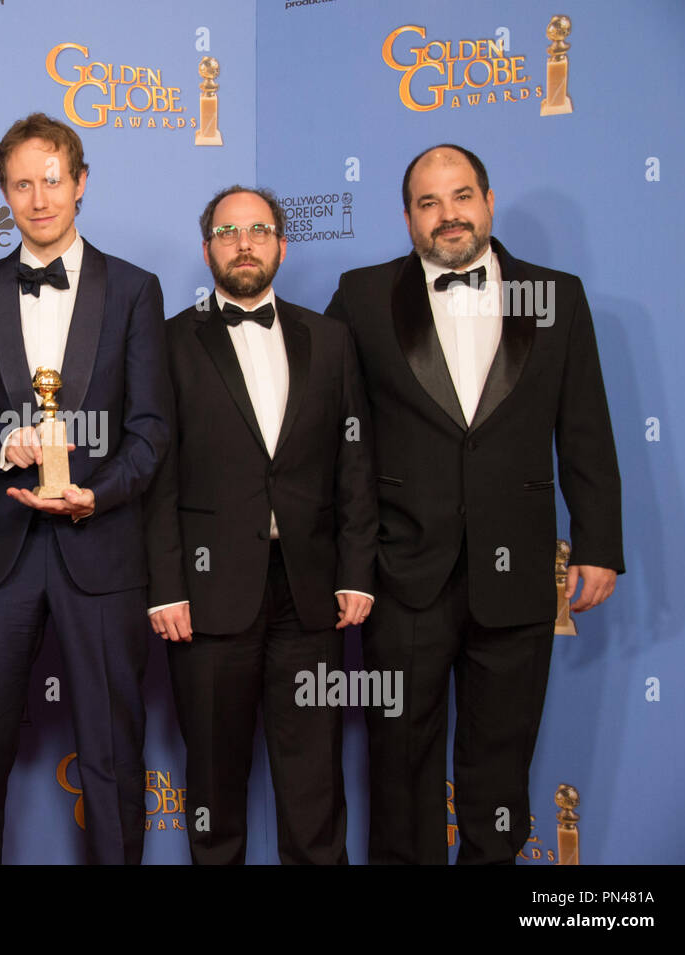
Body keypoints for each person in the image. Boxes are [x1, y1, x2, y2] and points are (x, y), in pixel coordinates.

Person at [325, 144, 623, 864]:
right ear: (407, 218)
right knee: (400, 768)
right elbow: (330, 429)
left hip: (519, 572)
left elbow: (583, 426)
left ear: (488, 201)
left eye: (461, 197)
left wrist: (598, 543)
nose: (447, 215)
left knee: (499, 770)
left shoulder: (557, 294)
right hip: (401, 573)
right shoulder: (362, 296)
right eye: (428, 203)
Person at [0, 112, 170, 864]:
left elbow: (149, 430)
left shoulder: (136, 289)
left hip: (99, 550)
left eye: (52, 179)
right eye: (21, 184)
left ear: (80, 183)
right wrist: (6, 442)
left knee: (110, 758)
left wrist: (96, 495)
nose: (39, 198)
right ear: (4, 194)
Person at [145, 185, 375, 864]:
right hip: (207, 595)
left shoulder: (331, 340)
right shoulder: (167, 341)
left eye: (258, 229)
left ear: (281, 242)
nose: (243, 243)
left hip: (310, 595)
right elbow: (157, 475)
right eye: (227, 232)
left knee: (314, 784)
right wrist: (165, 584)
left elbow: (355, 462)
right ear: (207, 246)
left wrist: (358, 570)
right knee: (214, 784)